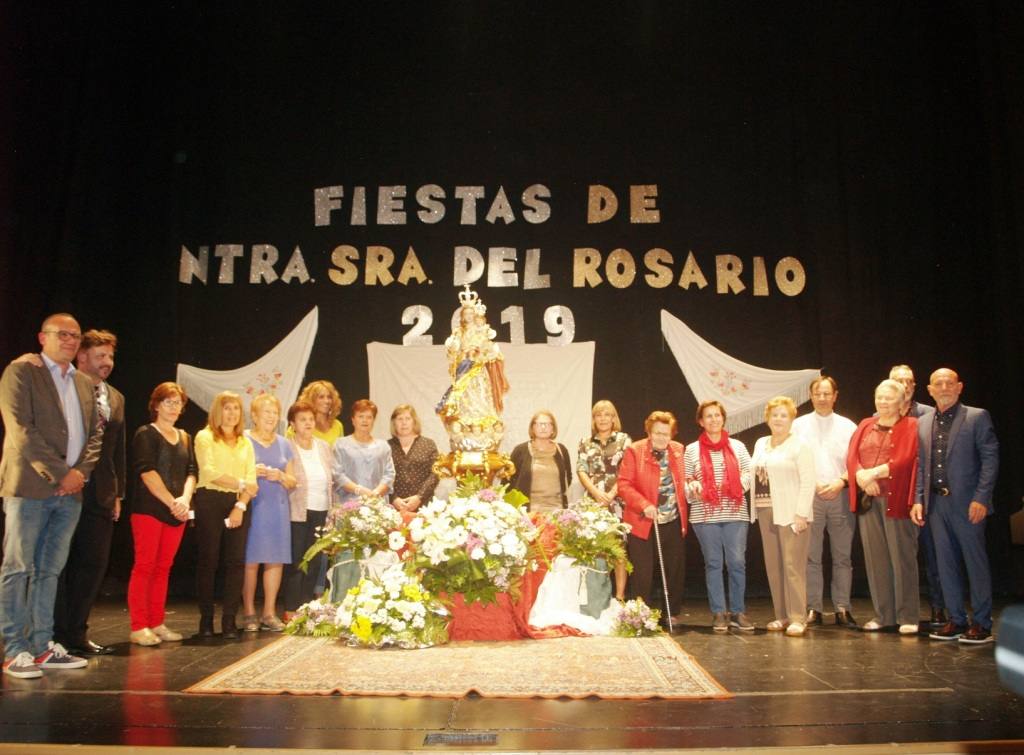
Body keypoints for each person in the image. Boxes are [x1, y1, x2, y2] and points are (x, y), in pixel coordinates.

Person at [0, 313, 102, 678]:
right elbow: (20, 429)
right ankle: (14, 650)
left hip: (70, 493)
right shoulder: (22, 372)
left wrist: (79, 475)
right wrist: (61, 474)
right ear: (43, 337)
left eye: (75, 335)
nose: (70, 340)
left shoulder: (83, 382)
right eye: (62, 334)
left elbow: (95, 435)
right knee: (18, 568)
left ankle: (42, 645)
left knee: (49, 571)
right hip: (30, 487)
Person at [14, 329, 126, 656]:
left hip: (100, 492)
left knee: (92, 564)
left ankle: (76, 632)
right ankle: (49, 634)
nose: (107, 362)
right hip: (62, 486)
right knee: (56, 564)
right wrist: (59, 477)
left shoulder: (116, 397)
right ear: (82, 357)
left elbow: (116, 450)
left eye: (110, 356)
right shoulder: (63, 387)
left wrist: (118, 493)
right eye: (100, 356)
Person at [914, 369, 1000, 644]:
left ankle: (982, 623)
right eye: (938, 383)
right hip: (936, 504)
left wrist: (981, 498)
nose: (944, 387)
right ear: (929, 390)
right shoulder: (923, 422)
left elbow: (990, 460)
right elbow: (921, 466)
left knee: (975, 563)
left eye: (949, 383)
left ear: (959, 387)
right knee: (945, 564)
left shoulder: (976, 416)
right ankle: (956, 619)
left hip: (968, 503)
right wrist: (918, 499)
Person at [847, 379, 921, 635]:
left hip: (896, 499)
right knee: (875, 559)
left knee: (902, 558)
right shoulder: (865, 425)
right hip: (869, 500)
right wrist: (861, 476)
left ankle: (908, 616)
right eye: (880, 397)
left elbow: (906, 459)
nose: (883, 402)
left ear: (901, 402)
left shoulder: (911, 425)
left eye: (889, 398)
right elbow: (852, 456)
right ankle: (883, 615)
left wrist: (874, 473)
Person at [127, 382, 196, 646]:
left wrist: (184, 500)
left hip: (177, 512)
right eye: (169, 402)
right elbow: (147, 471)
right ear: (156, 405)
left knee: (163, 568)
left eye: (178, 403)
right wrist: (171, 502)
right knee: (145, 566)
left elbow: (192, 472)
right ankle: (139, 626)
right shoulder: (146, 434)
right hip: (150, 510)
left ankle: (157, 623)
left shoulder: (185, 437)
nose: (174, 407)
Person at [791, 376, 859, 628]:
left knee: (843, 556)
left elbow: (857, 461)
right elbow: (792, 459)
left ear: (835, 396)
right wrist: (814, 484)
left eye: (826, 393)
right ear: (811, 396)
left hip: (840, 494)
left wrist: (841, 482)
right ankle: (814, 608)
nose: (822, 398)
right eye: (817, 393)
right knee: (811, 556)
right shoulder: (798, 425)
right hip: (810, 496)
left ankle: (842, 607)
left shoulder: (848, 426)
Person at [683, 400, 753, 632]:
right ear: (701, 422)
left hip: (735, 513)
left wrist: (733, 486)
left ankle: (738, 612)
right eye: (708, 416)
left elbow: (748, 473)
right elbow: (686, 478)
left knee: (737, 563)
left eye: (717, 415)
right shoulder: (691, 449)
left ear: (723, 418)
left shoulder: (738, 446)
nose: (713, 419)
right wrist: (693, 486)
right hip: (704, 516)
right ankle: (719, 613)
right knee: (713, 563)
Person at [193, 391, 257, 639]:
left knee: (236, 562)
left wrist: (240, 506)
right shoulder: (205, 436)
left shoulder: (245, 442)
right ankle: (206, 620)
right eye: (227, 408)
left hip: (238, 503)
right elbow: (209, 473)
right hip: (210, 500)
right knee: (209, 561)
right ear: (217, 411)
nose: (232, 413)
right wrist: (241, 484)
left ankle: (229, 620)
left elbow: (252, 480)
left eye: (236, 408)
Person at [750, 396, 816, 637]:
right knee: (774, 566)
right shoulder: (761, 443)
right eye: (774, 415)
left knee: (792, 566)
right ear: (767, 418)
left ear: (791, 419)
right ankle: (782, 615)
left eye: (783, 415)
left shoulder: (800, 445)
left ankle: (798, 617)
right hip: (765, 510)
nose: (778, 419)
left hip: (791, 513)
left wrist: (801, 514)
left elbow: (808, 481)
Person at [618, 410, 688, 622]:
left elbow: (684, 478)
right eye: (657, 433)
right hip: (643, 521)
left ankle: (671, 612)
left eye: (666, 434)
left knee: (674, 569)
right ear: (649, 432)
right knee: (643, 571)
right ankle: (641, 614)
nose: (662, 438)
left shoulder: (678, 450)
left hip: (672, 519)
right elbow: (624, 485)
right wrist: (644, 504)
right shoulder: (635, 451)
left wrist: (691, 485)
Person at [890, 364, 945, 626]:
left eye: (908, 381)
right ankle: (899, 611)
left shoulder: (929, 414)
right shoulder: (881, 415)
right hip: (894, 497)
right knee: (898, 558)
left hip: (923, 497)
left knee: (933, 554)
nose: (904, 385)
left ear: (914, 385)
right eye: (898, 380)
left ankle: (938, 607)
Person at [241, 394, 296, 633]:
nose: (271, 417)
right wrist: (251, 471)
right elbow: (232, 470)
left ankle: (269, 613)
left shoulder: (284, 443)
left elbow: (293, 481)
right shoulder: (244, 439)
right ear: (254, 416)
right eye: (266, 412)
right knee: (250, 561)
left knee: (275, 560)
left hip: (278, 508)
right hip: (253, 505)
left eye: (275, 413)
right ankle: (249, 613)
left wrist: (281, 476)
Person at [436, 286, 510, 453]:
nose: (469, 316)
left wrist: (485, 353)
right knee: (464, 395)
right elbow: (452, 352)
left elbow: (489, 349)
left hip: (478, 369)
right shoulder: (458, 332)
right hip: (464, 368)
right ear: (462, 316)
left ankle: (482, 421)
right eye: (466, 314)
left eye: (471, 314)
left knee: (481, 393)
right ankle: (465, 421)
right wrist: (454, 348)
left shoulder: (481, 330)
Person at [283, 400, 336, 617]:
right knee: (297, 561)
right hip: (297, 511)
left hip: (322, 510)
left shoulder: (323, 446)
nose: (308, 423)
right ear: (292, 423)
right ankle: (291, 608)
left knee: (315, 560)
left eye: (311, 419)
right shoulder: (287, 446)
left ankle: (307, 608)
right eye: (302, 419)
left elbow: (332, 478)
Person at [576, 400, 633, 601]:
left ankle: (619, 597)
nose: (602, 418)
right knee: (594, 548)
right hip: (592, 503)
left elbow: (628, 470)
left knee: (618, 550)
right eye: (598, 415)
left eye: (607, 414)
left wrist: (611, 494)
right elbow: (581, 469)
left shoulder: (624, 440)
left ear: (613, 418)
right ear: (594, 419)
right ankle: (596, 596)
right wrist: (595, 492)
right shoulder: (585, 442)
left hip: (617, 502)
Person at [509, 410, 572, 514]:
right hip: (527, 513)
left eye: (547, 424)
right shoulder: (520, 450)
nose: (543, 427)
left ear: (553, 428)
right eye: (539, 424)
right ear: (532, 428)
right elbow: (509, 481)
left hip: (557, 512)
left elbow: (567, 477)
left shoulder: (562, 450)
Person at [333, 399, 395, 504]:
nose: (365, 420)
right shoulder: (341, 445)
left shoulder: (383, 446)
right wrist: (359, 490)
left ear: (373, 420)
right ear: (353, 420)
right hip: (349, 505)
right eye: (361, 416)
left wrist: (375, 493)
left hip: (377, 504)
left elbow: (389, 474)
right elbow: (337, 475)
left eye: (369, 417)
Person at [387, 404, 439, 515]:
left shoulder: (428, 444)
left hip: (424, 506)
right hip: (394, 508)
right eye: (400, 419)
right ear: (394, 423)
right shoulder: (386, 447)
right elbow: (381, 476)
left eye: (407, 418)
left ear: (414, 421)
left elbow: (436, 473)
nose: (404, 423)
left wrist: (419, 497)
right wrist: (393, 498)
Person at [288, 380, 345, 445]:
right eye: (321, 397)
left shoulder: (338, 426)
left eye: (329, 397)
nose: (326, 401)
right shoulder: (297, 426)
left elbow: (341, 450)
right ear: (311, 400)